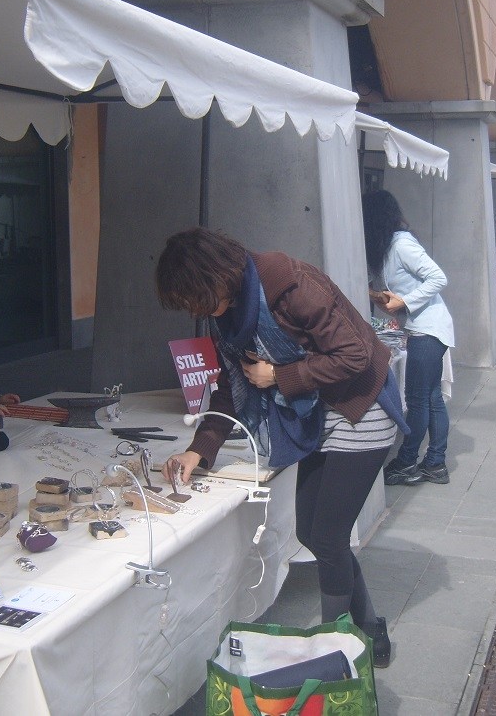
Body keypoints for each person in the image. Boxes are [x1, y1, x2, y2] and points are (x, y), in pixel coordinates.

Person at [156, 227, 407, 668]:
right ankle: (368, 626)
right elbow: (229, 385)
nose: (199, 310)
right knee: (312, 532)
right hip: (312, 416)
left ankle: (334, 651)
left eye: (198, 298)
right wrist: (202, 446)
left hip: (359, 406)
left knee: (327, 536)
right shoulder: (227, 311)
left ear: (216, 274)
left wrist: (279, 377)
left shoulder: (288, 283)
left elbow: (354, 356)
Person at [361, 190, 455, 487]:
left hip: (429, 330)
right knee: (431, 398)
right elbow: (398, 290)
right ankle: (435, 463)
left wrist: (405, 303)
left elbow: (439, 278)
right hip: (425, 328)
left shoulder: (402, 244)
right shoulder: (391, 246)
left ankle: (407, 461)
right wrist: (383, 298)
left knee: (419, 400)